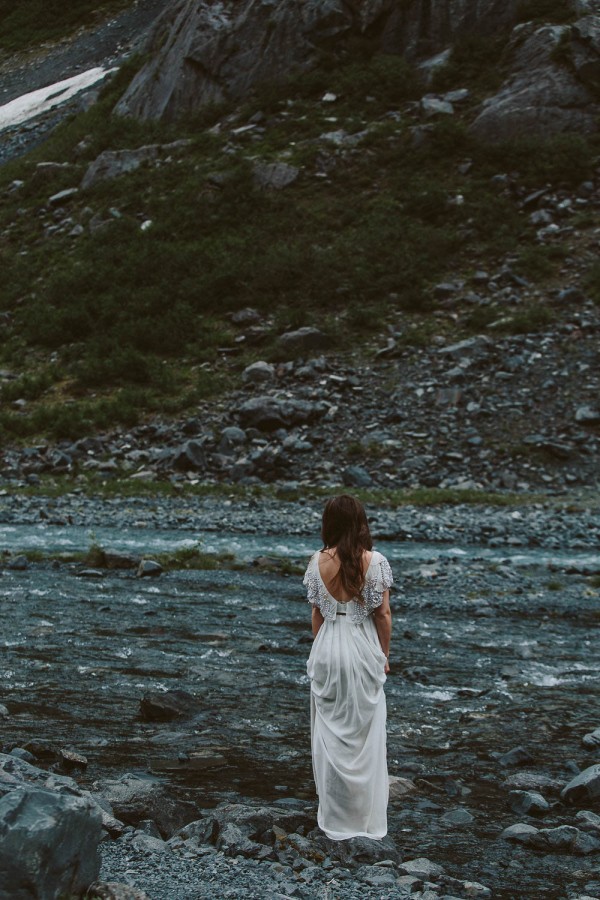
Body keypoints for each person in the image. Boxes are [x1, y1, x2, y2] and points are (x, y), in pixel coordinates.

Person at [304, 494, 393, 841]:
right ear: (359, 523)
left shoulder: (316, 561)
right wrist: (383, 655)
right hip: (361, 645)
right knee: (364, 736)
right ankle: (364, 821)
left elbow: (316, 615)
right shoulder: (375, 561)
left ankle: (333, 817)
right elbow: (382, 615)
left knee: (329, 735)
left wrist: (320, 649)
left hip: (327, 645)